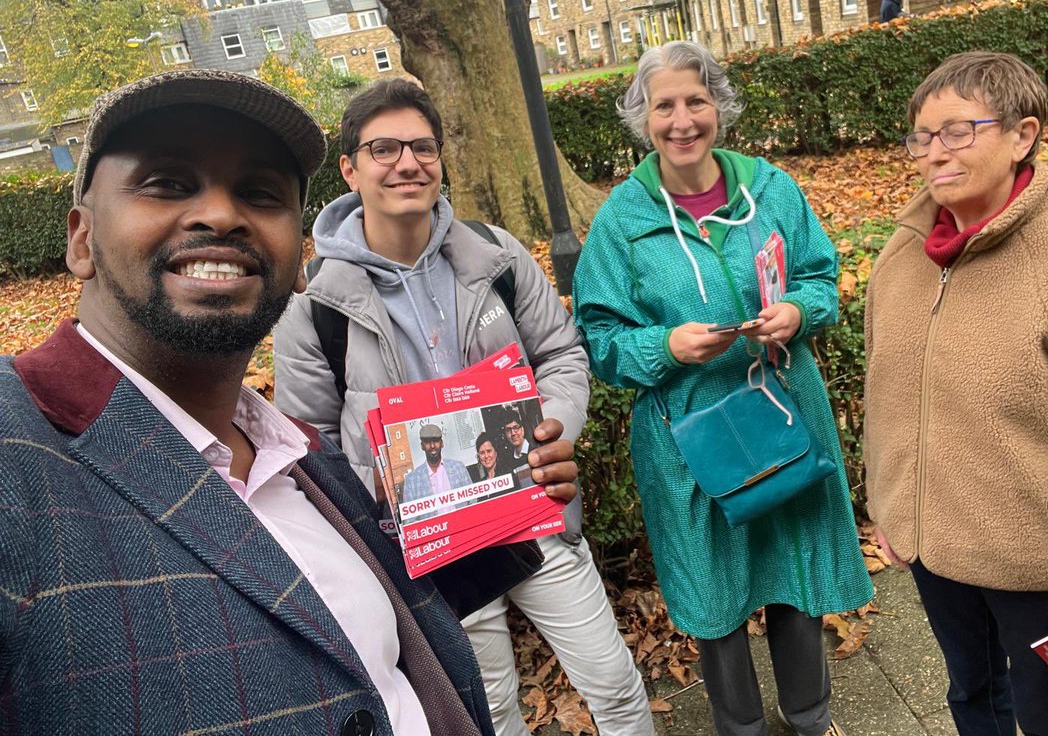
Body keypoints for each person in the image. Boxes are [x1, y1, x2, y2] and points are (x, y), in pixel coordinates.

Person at [0, 69, 519, 735]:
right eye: (167, 183)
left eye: (259, 193)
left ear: (298, 257)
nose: (220, 214)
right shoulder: (18, 456)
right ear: (81, 240)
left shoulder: (309, 462)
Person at [273, 78, 652, 736]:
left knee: (614, 685)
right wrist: (387, 492)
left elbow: (561, 354)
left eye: (423, 146)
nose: (407, 163)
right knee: (490, 713)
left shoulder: (496, 255)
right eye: (384, 148)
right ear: (350, 169)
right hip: (428, 544)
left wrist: (553, 428)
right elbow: (312, 453)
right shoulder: (312, 308)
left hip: (531, 510)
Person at [573, 41, 872, 736]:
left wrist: (798, 313)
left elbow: (820, 278)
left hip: (781, 406)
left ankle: (809, 714)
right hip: (688, 434)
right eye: (664, 105)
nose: (683, 120)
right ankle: (739, 727)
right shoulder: (622, 220)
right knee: (713, 586)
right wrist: (664, 345)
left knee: (794, 565)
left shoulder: (770, 190)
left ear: (720, 108)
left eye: (696, 100)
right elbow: (601, 339)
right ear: (642, 118)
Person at [863, 52, 1048, 736]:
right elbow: (887, 396)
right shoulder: (901, 257)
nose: (934, 152)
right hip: (935, 550)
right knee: (972, 697)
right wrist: (889, 503)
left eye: (958, 131)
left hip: (1036, 564)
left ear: (1023, 135)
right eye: (921, 136)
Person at [403, 422, 472, 501]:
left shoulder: (459, 468)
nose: (432, 446)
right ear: (422, 446)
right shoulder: (411, 480)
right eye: (428, 442)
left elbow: (473, 500)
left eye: (435, 441)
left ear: (442, 443)